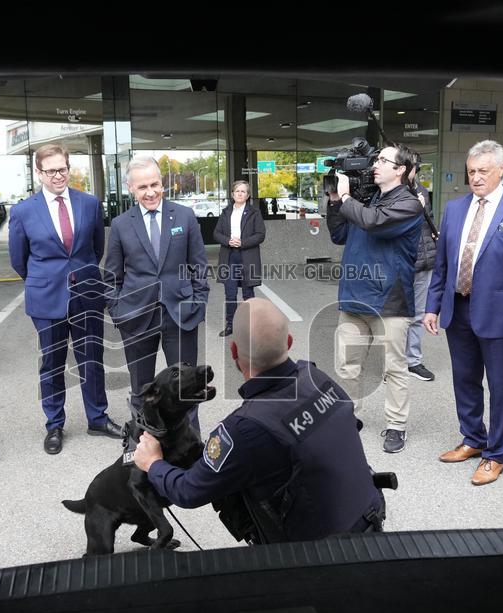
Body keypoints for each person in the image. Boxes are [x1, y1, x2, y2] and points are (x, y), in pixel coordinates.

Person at [132, 298, 386, 543]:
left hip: (318, 560)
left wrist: (153, 463)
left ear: (234, 351)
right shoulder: (318, 378)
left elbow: (187, 491)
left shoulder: (244, 429)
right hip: (371, 523)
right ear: (288, 342)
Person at [423, 140, 503, 486]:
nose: (476, 178)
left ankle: (496, 454)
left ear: (501, 170)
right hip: (457, 310)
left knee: (501, 387)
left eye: (483, 171)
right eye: (472, 171)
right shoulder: (455, 209)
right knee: (464, 380)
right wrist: (432, 306)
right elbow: (442, 265)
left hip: (502, 317)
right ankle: (473, 439)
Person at [8, 144, 122, 455]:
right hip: (47, 297)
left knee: (92, 359)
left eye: (63, 169)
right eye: (51, 171)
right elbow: (19, 260)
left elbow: (95, 249)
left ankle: (97, 418)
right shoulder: (23, 211)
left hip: (86, 293)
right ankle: (54, 423)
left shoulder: (89, 204)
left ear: (69, 168)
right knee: (52, 362)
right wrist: (47, 280)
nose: (58, 176)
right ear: (39, 173)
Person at [326, 143, 424, 454]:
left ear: (401, 170)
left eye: (383, 160)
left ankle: (396, 425)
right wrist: (334, 201)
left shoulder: (410, 205)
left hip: (389, 302)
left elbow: (374, 223)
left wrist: (345, 198)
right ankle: (347, 417)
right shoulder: (366, 201)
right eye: (376, 159)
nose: (375, 165)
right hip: (354, 298)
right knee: (347, 366)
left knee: (394, 368)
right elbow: (339, 235)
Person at [103, 156, 209, 432]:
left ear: (163, 183)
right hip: (136, 316)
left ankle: (191, 444)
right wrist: (118, 311)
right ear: (131, 189)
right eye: (142, 187)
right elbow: (111, 276)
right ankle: (144, 442)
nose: (150, 192)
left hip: (181, 313)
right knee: (141, 387)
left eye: (155, 184)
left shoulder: (184, 216)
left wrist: (198, 303)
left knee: (186, 387)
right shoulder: (121, 225)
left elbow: (199, 266)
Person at [212, 179, 265, 337]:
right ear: (232, 194)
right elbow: (216, 233)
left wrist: (243, 242)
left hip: (247, 256)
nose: (240, 193)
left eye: (243, 191)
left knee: (248, 294)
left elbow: (260, 235)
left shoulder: (254, 212)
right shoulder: (226, 212)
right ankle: (231, 325)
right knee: (230, 293)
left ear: (248, 195)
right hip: (229, 256)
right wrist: (228, 240)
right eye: (237, 191)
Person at [405, 151, 438, 382]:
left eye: (415, 167)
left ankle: (413, 361)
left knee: (417, 315)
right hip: (399, 264)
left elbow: (430, 223)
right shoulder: (385, 192)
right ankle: (392, 364)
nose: (411, 171)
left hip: (424, 261)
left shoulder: (422, 192)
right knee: (393, 317)